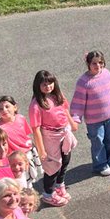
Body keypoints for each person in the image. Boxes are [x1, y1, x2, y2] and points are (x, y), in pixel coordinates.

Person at [70, 50, 110, 176]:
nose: (98, 65)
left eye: (100, 62)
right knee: (98, 143)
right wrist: (75, 118)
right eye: (94, 63)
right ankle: (101, 165)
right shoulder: (83, 82)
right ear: (88, 64)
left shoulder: (107, 74)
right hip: (94, 121)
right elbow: (78, 102)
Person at [29, 70, 79, 205]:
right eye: (44, 84)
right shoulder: (36, 105)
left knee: (65, 160)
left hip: (64, 132)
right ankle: (48, 194)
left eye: (50, 83)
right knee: (52, 166)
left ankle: (59, 185)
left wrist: (72, 123)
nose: (48, 87)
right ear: (38, 86)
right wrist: (41, 150)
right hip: (50, 137)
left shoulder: (57, 95)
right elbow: (36, 129)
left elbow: (64, 109)